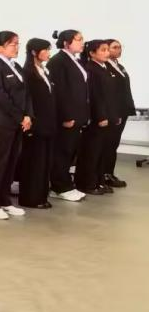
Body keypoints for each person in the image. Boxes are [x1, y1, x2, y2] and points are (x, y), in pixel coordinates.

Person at [0, 31, 31, 220]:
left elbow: (26, 93)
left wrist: (28, 115)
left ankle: (4, 200)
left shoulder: (15, 66)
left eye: (18, 43)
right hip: (1, 122)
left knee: (10, 163)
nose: (16, 47)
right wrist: (20, 116)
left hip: (17, 122)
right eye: (12, 44)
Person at [46, 30, 88, 202]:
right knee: (62, 151)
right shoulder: (58, 61)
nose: (82, 43)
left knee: (70, 151)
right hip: (67, 116)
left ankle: (65, 183)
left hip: (78, 114)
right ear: (66, 43)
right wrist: (65, 116)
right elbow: (60, 92)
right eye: (78, 40)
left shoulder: (74, 60)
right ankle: (59, 186)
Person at [75, 40, 119, 196]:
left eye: (108, 49)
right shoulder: (91, 69)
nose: (107, 53)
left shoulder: (104, 68)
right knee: (91, 152)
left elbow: (110, 96)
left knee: (101, 152)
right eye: (103, 50)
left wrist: (114, 115)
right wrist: (101, 116)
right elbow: (95, 96)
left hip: (108, 116)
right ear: (92, 53)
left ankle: (99, 181)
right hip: (96, 118)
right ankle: (87, 183)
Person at [18, 38, 55, 209]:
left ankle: (41, 195)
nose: (48, 53)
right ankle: (30, 197)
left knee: (44, 161)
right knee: (33, 161)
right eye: (45, 50)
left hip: (47, 121)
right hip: (36, 122)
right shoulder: (27, 72)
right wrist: (29, 118)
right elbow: (28, 98)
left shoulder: (44, 70)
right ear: (34, 52)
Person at [105, 40, 134, 188]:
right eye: (115, 47)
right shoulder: (105, 67)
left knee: (114, 144)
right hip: (114, 112)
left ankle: (109, 172)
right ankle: (105, 174)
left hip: (123, 110)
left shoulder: (119, 66)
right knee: (109, 144)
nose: (119, 50)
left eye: (120, 47)